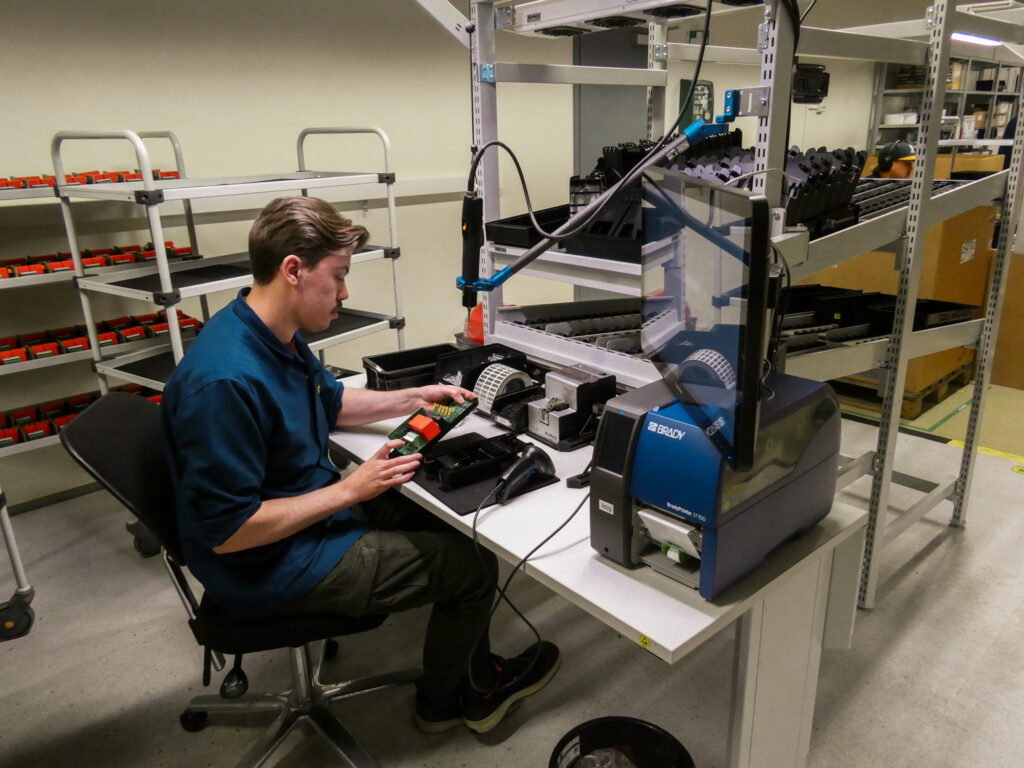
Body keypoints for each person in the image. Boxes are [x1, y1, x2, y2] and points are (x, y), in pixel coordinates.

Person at [161, 196, 560, 735]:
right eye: (340, 276)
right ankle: (450, 702)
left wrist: (413, 398)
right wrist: (352, 491)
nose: (345, 293)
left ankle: (466, 665)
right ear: (294, 270)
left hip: (305, 515)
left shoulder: (268, 332)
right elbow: (229, 533)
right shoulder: (225, 384)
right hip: (269, 564)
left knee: (447, 521)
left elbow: (329, 402)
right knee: (471, 570)